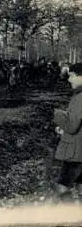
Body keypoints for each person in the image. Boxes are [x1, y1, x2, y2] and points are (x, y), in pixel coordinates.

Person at [53, 62, 82, 202]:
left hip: (76, 153)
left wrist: (58, 115)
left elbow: (72, 126)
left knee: (62, 187)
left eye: (72, 76)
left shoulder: (79, 98)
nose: (69, 79)